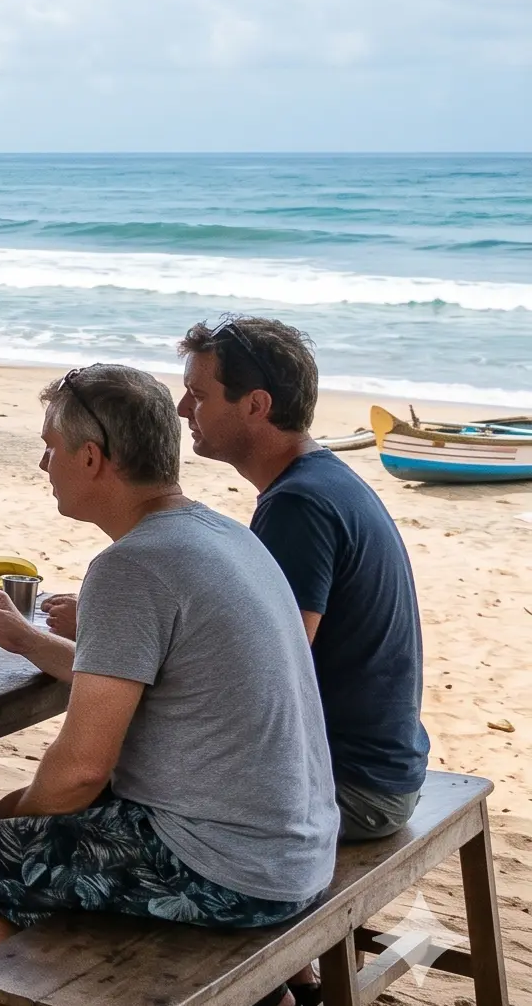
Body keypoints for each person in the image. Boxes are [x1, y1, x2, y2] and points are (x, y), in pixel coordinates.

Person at [0, 365, 337, 982]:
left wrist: (16, 819)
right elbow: (138, 679)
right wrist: (28, 640)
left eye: (49, 448)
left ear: (91, 458)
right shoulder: (222, 535)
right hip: (296, 848)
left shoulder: (130, 567)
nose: (42, 465)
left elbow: (82, 770)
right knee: (13, 823)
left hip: (227, 870)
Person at [175, 316, 428, 843]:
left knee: (118, 787)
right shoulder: (322, 479)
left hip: (351, 787)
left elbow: (270, 669)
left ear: (256, 405)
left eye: (197, 395)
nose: (182, 410)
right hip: (382, 768)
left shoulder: (298, 505)